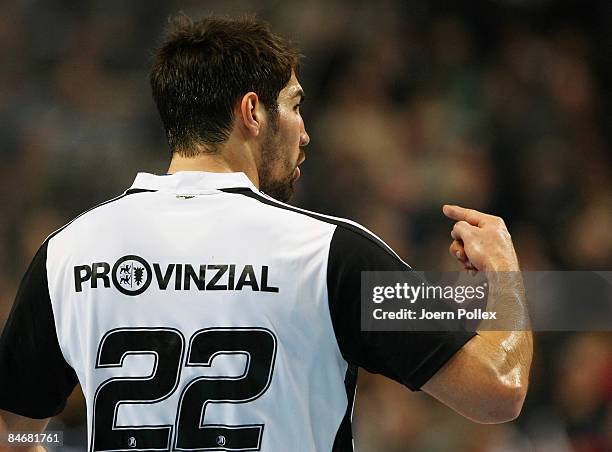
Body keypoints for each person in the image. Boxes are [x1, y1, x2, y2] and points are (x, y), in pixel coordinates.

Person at [0, 14, 532, 452]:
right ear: (252, 111)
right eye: (295, 105)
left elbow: (11, 428)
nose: (305, 132)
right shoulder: (329, 256)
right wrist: (504, 273)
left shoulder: (68, 253)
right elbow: (497, 390)